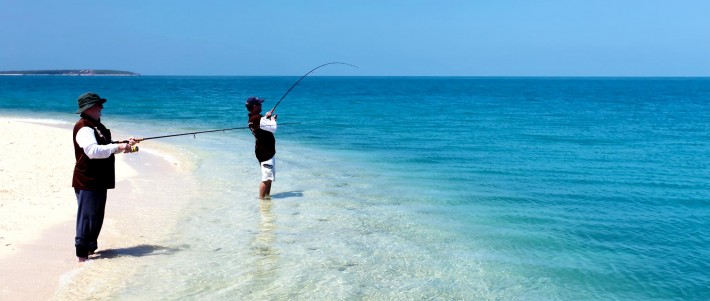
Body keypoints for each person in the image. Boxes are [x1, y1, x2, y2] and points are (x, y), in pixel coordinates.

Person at [72, 92, 138, 262]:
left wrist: (123, 144)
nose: (101, 107)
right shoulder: (84, 128)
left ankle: (91, 251)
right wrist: (119, 147)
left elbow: (103, 145)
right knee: (87, 218)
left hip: (99, 179)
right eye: (98, 105)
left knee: (96, 216)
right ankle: (82, 257)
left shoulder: (95, 125)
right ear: (89, 108)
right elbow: (93, 152)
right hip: (88, 180)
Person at [246, 96, 277, 199]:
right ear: (255, 106)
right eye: (259, 104)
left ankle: (267, 198)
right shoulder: (256, 118)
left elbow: (261, 124)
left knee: (269, 178)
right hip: (265, 153)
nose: (261, 105)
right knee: (266, 178)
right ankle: (262, 202)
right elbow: (273, 128)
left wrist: (266, 117)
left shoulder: (252, 118)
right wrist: (272, 119)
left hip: (265, 151)